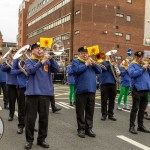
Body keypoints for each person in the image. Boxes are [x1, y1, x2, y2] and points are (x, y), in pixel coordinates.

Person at [24, 42, 59, 149]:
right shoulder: (29, 60)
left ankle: (41, 140)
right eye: (37, 48)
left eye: (41, 48)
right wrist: (41, 61)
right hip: (32, 94)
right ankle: (29, 140)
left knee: (44, 119)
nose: (40, 50)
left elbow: (57, 70)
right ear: (32, 51)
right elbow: (30, 70)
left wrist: (51, 58)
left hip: (45, 94)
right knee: (30, 119)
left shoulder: (48, 61)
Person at [71, 46, 102, 138]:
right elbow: (76, 70)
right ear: (79, 54)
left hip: (91, 90)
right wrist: (86, 64)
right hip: (81, 90)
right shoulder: (75, 62)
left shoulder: (91, 62)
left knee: (90, 111)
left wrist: (94, 64)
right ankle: (81, 129)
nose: (85, 55)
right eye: (83, 53)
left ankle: (89, 129)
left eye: (86, 53)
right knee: (80, 111)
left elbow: (100, 71)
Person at [128, 51, 150, 134]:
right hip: (137, 90)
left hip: (145, 89)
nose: (140, 59)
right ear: (136, 57)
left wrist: (148, 68)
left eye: (141, 57)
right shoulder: (132, 65)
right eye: (139, 57)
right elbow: (132, 74)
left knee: (142, 109)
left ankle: (140, 126)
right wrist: (142, 69)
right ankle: (132, 126)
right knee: (135, 108)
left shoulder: (145, 65)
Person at [98, 55, 119, 121]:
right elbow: (101, 70)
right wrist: (109, 64)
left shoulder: (114, 64)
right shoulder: (102, 62)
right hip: (104, 83)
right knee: (104, 100)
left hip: (113, 83)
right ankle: (104, 114)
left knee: (112, 100)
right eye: (110, 56)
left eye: (112, 56)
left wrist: (117, 71)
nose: (112, 58)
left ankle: (111, 114)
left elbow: (117, 73)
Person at [1, 48, 18, 121]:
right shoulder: (7, 61)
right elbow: (3, 69)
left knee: (21, 103)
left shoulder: (20, 60)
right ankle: (11, 115)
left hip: (20, 84)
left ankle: (22, 116)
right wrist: (9, 64)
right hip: (11, 84)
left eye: (15, 52)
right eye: (12, 53)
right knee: (11, 101)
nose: (14, 54)